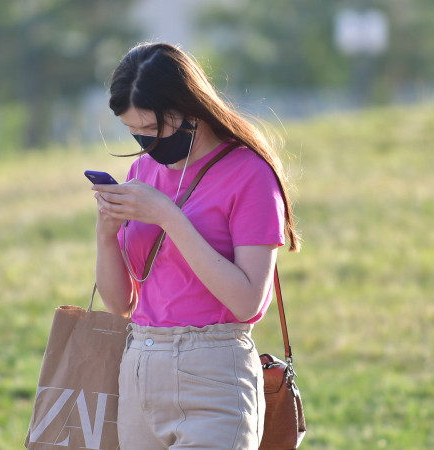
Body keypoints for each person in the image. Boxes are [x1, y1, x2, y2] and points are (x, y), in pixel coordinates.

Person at [91, 42, 300, 449]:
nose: (145, 143)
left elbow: (248, 303)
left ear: (188, 108)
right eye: (134, 131)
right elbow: (121, 305)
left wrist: (169, 216)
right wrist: (105, 233)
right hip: (138, 372)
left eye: (152, 129)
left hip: (213, 376)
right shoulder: (142, 170)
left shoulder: (249, 173)